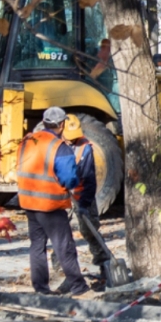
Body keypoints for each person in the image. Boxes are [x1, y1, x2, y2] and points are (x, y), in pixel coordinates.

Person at [17, 107, 90, 296]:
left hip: (28, 201)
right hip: (49, 204)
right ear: (61, 124)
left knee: (37, 246)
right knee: (64, 246)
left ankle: (41, 288)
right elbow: (69, 179)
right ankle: (78, 286)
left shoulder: (28, 141)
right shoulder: (59, 147)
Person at [62, 115, 109, 281]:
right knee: (59, 233)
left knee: (89, 231)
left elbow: (89, 178)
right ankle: (60, 269)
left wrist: (84, 203)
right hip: (61, 195)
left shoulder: (85, 148)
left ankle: (105, 264)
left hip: (82, 194)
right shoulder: (56, 145)